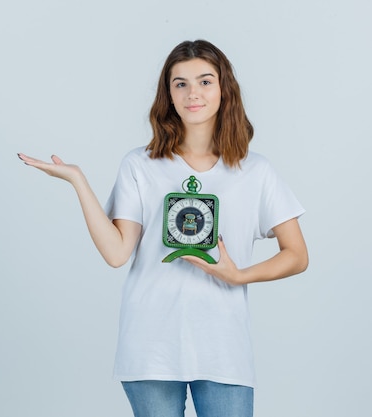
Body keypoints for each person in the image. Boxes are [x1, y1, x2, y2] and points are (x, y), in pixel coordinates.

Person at [17, 39, 308, 417]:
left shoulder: (255, 171)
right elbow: (117, 253)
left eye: (205, 81)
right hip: (151, 346)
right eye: (180, 84)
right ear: (168, 95)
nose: (193, 94)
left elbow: (297, 255)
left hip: (223, 347)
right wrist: (78, 182)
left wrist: (238, 276)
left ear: (224, 90)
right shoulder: (140, 165)